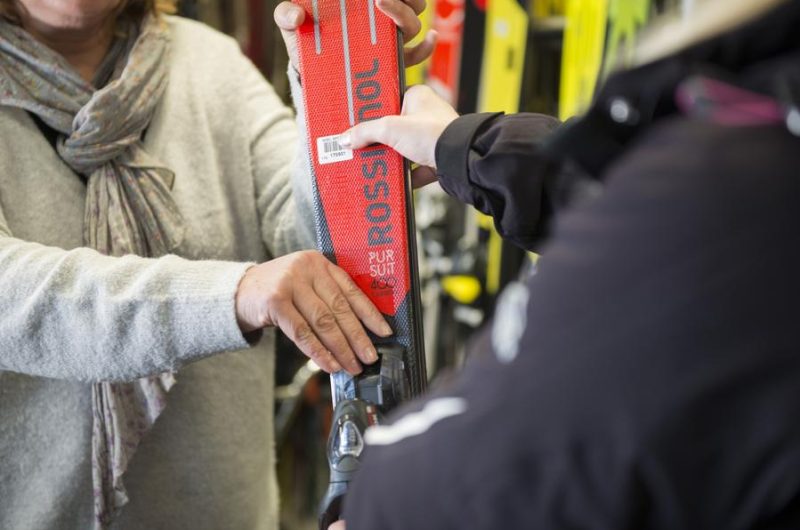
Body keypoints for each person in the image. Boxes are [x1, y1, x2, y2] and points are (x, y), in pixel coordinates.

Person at [329, 0, 800, 527]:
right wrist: (465, 145)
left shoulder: (743, 171)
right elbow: (622, 202)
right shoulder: (753, 127)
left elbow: (503, 463)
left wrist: (371, 509)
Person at [0, 0, 432, 528]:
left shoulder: (211, 63)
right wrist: (234, 294)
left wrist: (339, 89)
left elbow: (318, 234)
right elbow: (13, 299)